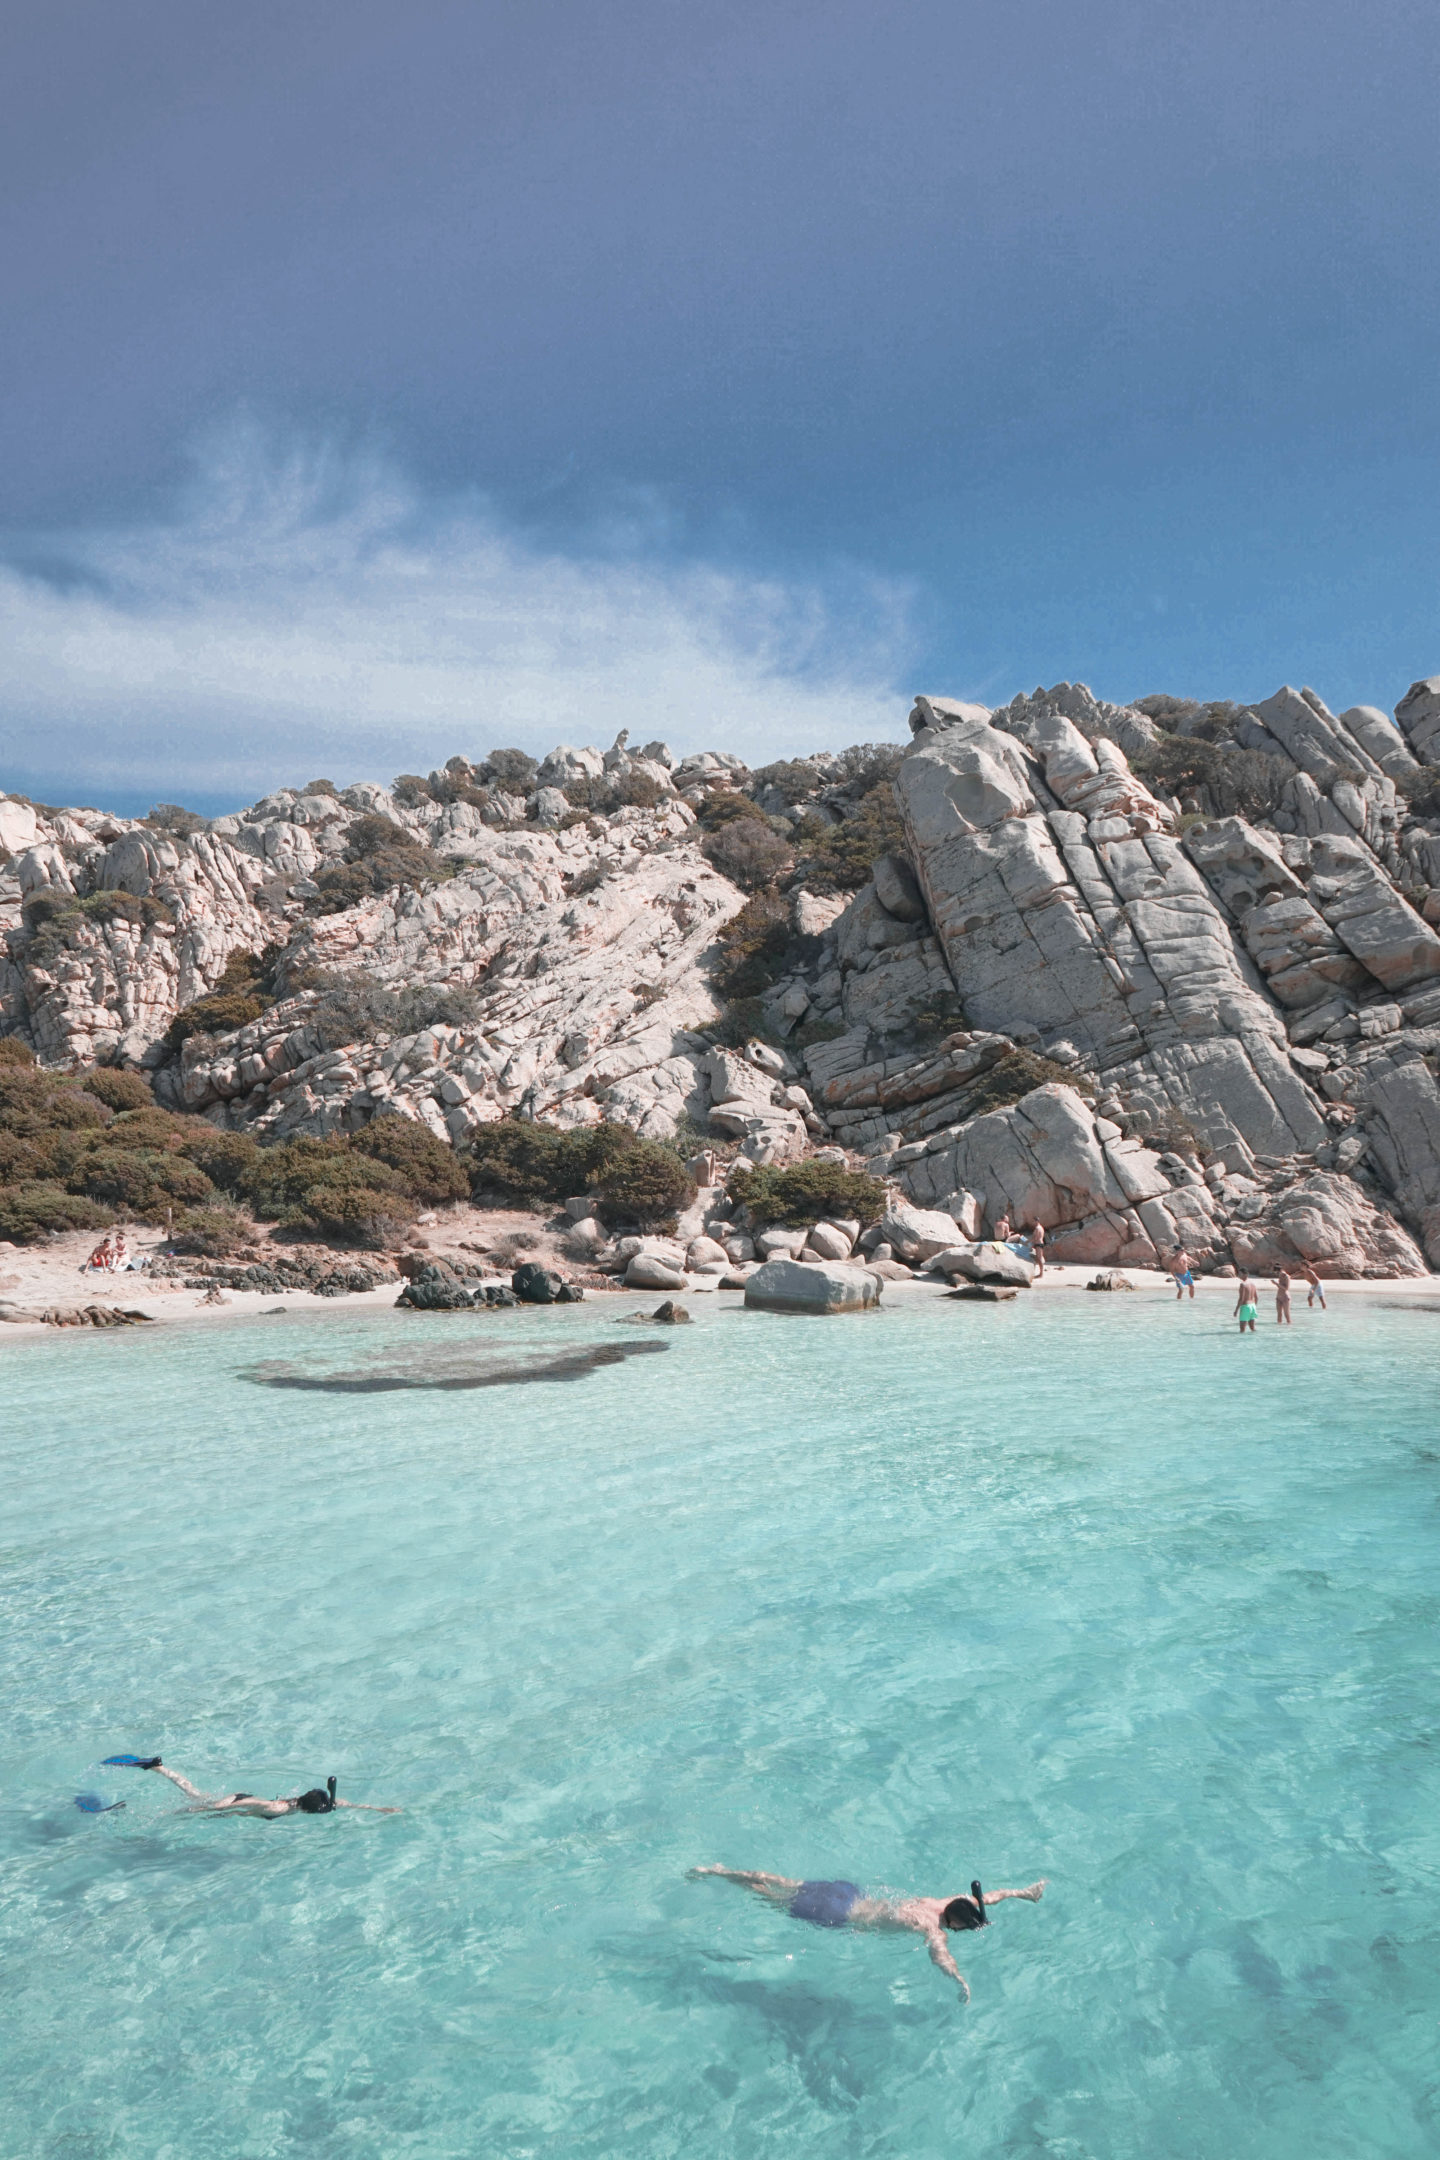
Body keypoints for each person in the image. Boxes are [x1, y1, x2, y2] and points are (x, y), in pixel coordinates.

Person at [689, 1865, 1045, 2000]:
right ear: (953, 1922)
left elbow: (990, 1898)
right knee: (769, 1899)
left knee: (781, 1881)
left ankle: (718, 1870)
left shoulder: (945, 1901)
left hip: (849, 1893)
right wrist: (960, 1982)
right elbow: (941, 1957)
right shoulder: (931, 1926)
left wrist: (1022, 1893)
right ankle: (732, 1882)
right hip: (836, 1914)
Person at [102, 1755, 399, 1820]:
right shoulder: (279, 1808)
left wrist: (378, 1809)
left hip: (241, 1801)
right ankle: (128, 1809)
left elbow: (342, 1802)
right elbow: (248, 1805)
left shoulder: (303, 1802)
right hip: (235, 1802)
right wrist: (217, 1811)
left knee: (192, 1793)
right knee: (184, 1809)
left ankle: (157, 1767)